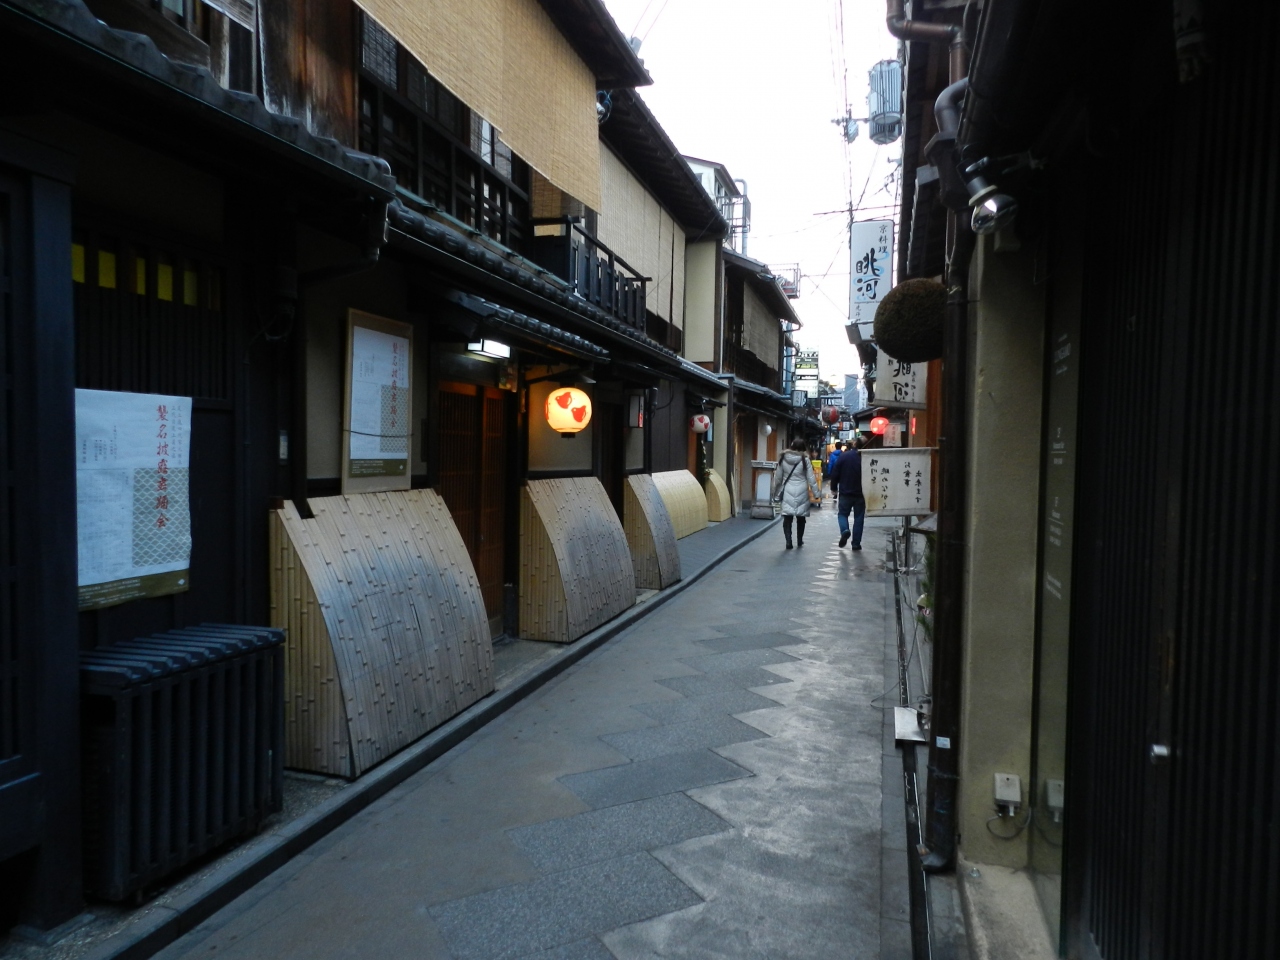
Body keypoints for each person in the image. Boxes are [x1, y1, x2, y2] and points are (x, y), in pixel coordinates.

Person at [772, 438, 821, 549]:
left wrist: (775, 491)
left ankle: (788, 541)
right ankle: (799, 540)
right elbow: (811, 478)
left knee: (787, 517)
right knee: (801, 517)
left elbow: (778, 478)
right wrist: (816, 493)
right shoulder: (805, 460)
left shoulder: (783, 458)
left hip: (788, 489)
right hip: (802, 490)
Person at [828, 440, 865, 550]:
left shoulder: (844, 456)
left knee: (842, 514)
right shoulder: (866, 457)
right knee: (859, 518)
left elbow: (835, 473)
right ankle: (856, 544)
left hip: (845, 491)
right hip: (861, 493)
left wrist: (834, 488)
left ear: (854, 445)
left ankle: (844, 530)